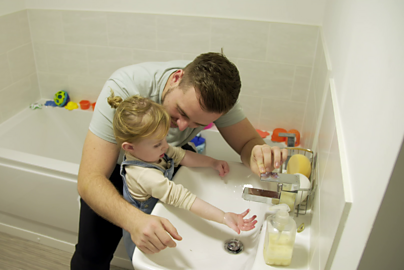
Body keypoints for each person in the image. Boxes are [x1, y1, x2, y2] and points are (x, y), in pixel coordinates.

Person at [70, 52, 288, 269]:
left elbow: (248, 143)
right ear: (176, 78)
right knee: (90, 258)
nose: (183, 126)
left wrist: (261, 156)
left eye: (197, 123)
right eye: (180, 112)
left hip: (166, 157)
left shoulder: (215, 97)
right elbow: (89, 180)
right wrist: (134, 221)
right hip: (115, 173)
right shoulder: (124, 88)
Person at [107, 91, 258, 259]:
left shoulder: (152, 150)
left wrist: (212, 163)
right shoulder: (144, 175)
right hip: (146, 236)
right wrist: (223, 217)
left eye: (164, 139)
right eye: (158, 144)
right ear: (129, 148)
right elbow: (183, 198)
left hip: (161, 215)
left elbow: (181, 155)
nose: (165, 146)